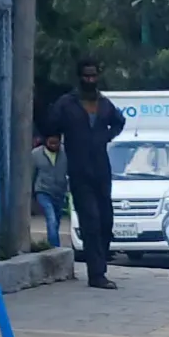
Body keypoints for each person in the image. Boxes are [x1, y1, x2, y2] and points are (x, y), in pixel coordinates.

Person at [48, 58, 126, 289]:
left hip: (102, 169)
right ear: (80, 77)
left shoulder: (104, 104)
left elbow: (119, 122)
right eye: (86, 76)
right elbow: (52, 126)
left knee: (105, 220)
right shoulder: (67, 104)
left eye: (93, 76)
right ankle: (97, 274)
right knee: (90, 219)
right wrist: (57, 138)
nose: (90, 80)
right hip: (79, 170)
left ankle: (102, 262)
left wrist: (106, 136)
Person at [31, 132, 69, 250]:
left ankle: (50, 242)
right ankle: (55, 248)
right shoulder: (35, 154)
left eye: (56, 143)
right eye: (51, 143)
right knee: (51, 218)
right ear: (45, 142)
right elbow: (32, 173)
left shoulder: (66, 153)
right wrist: (32, 193)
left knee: (56, 221)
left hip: (59, 192)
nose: (53, 146)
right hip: (43, 191)